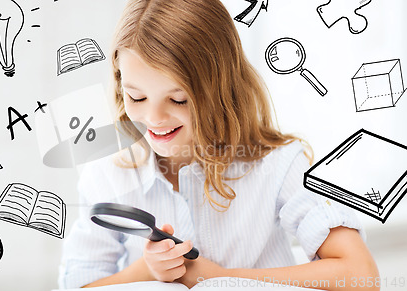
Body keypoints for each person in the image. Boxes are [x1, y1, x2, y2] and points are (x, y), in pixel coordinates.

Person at [58, 0, 379, 289]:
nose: (153, 118)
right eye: (136, 96)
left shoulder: (278, 163)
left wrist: (215, 278)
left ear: (221, 88)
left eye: (178, 99)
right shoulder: (106, 171)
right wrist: (147, 270)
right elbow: (78, 285)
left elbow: (361, 276)